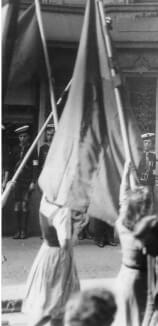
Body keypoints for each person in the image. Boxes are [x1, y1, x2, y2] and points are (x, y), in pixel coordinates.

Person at [23, 197, 88, 326]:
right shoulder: (62, 210)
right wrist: (77, 229)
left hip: (46, 252)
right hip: (59, 257)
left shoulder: (45, 200)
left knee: (52, 302)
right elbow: (66, 242)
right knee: (57, 303)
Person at [113, 162, 153, 326]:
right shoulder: (146, 231)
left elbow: (124, 199)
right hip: (140, 280)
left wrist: (126, 174)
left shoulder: (122, 223)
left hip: (124, 275)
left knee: (126, 319)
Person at [8, 125, 38, 239]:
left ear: (28, 137)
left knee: (24, 205)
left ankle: (24, 231)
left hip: (27, 181)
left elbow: (35, 166)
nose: (22, 138)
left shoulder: (32, 149)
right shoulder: (15, 149)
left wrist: (33, 181)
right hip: (17, 181)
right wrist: (11, 180)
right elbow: (11, 166)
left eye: (24, 136)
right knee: (17, 205)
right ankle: (18, 230)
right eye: (20, 136)